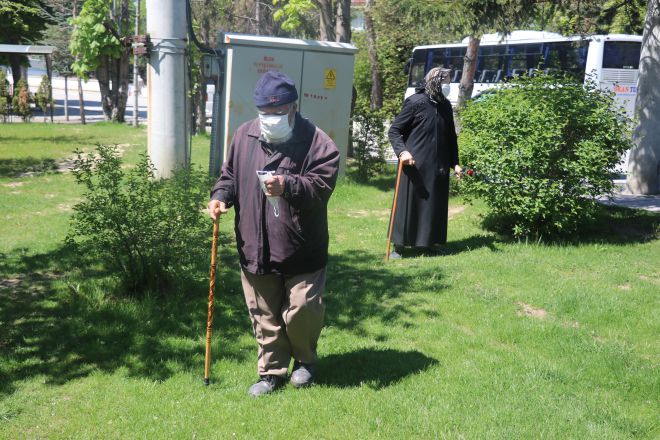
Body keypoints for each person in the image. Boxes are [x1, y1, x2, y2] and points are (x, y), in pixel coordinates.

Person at [208, 70, 340, 397]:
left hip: (301, 246)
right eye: (265, 112)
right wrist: (220, 196)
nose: (270, 118)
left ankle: (305, 361)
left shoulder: (317, 141)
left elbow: (321, 186)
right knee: (264, 314)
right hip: (254, 244)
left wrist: (288, 185)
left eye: (278, 112)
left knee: (303, 309)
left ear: (293, 107)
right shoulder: (245, 135)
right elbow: (229, 176)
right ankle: (271, 372)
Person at [387, 67, 461, 259]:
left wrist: (455, 163)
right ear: (435, 81)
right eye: (446, 81)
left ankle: (429, 243)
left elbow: (451, 137)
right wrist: (402, 152)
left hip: (438, 165)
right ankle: (399, 246)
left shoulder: (445, 106)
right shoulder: (415, 102)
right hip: (414, 164)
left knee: (433, 205)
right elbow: (394, 130)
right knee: (408, 204)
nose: (449, 85)